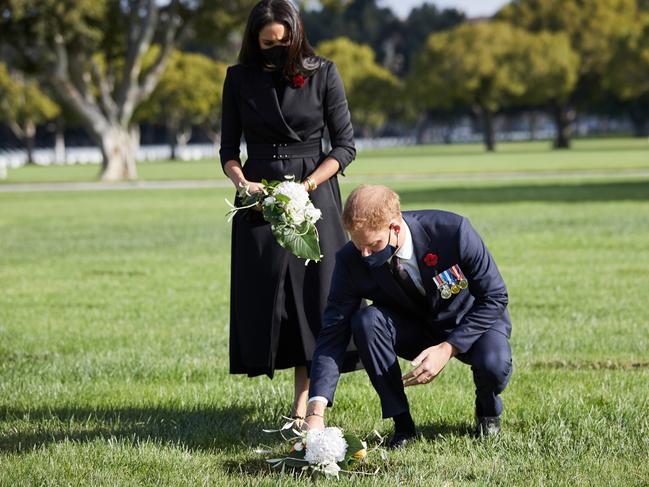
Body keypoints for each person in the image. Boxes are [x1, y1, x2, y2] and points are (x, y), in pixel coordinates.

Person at [219, 0, 361, 422]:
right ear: (254, 41)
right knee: (268, 298)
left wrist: (308, 185)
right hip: (260, 196)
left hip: (313, 192)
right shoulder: (238, 79)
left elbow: (344, 146)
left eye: (283, 43)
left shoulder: (324, 73)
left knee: (312, 298)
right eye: (267, 44)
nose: (275, 50)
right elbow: (229, 150)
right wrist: (242, 182)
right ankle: (283, 377)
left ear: (296, 37)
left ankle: (306, 400)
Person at [305, 185, 513, 447]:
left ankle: (487, 411)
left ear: (394, 227)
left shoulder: (453, 232)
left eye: (372, 245)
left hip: (471, 320)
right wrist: (316, 410)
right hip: (413, 328)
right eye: (358, 245)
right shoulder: (351, 260)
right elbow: (333, 331)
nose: (364, 255)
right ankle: (402, 425)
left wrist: (448, 348)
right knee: (366, 321)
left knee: (494, 365)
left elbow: (495, 297)